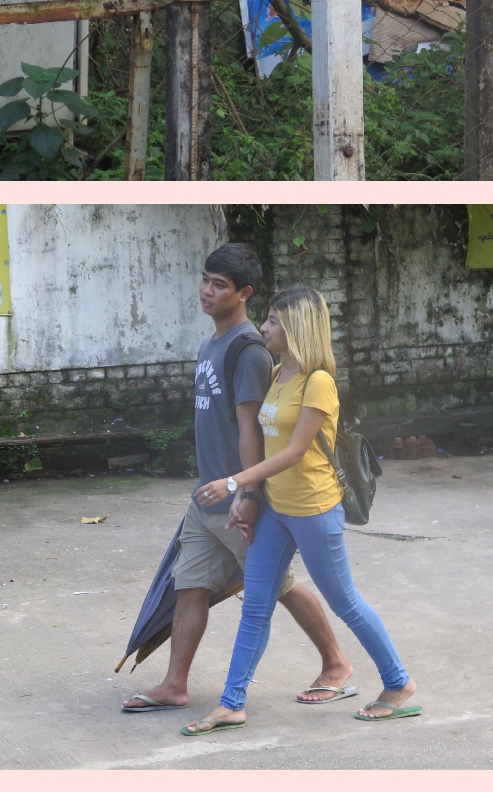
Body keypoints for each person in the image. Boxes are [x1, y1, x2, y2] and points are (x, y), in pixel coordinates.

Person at [120, 244, 352, 714]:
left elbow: (253, 431)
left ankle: (336, 664)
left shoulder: (248, 350)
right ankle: (174, 684)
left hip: (235, 496)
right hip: (206, 496)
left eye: (219, 284)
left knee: (279, 585)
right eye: (205, 279)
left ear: (243, 293)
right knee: (188, 586)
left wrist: (245, 493)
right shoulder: (213, 342)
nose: (207, 290)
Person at [184, 286, 417, 733]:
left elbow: (293, 452)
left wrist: (235, 481)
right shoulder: (278, 374)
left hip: (313, 509)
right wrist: (248, 499)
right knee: (255, 606)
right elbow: (266, 441)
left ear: (296, 329)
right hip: (275, 508)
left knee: (345, 602)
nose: (264, 328)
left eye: (272, 321)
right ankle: (232, 702)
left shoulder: (319, 382)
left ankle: (399, 684)